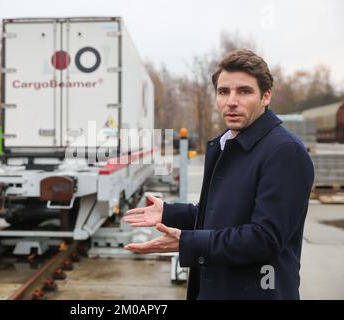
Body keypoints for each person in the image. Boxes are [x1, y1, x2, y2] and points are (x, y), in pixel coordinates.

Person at [123, 49, 315, 300]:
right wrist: (170, 213)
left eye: (244, 91)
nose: (231, 101)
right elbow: (223, 214)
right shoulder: (226, 144)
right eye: (224, 92)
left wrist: (188, 242)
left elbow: (264, 238)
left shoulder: (285, 152)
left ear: (266, 96)